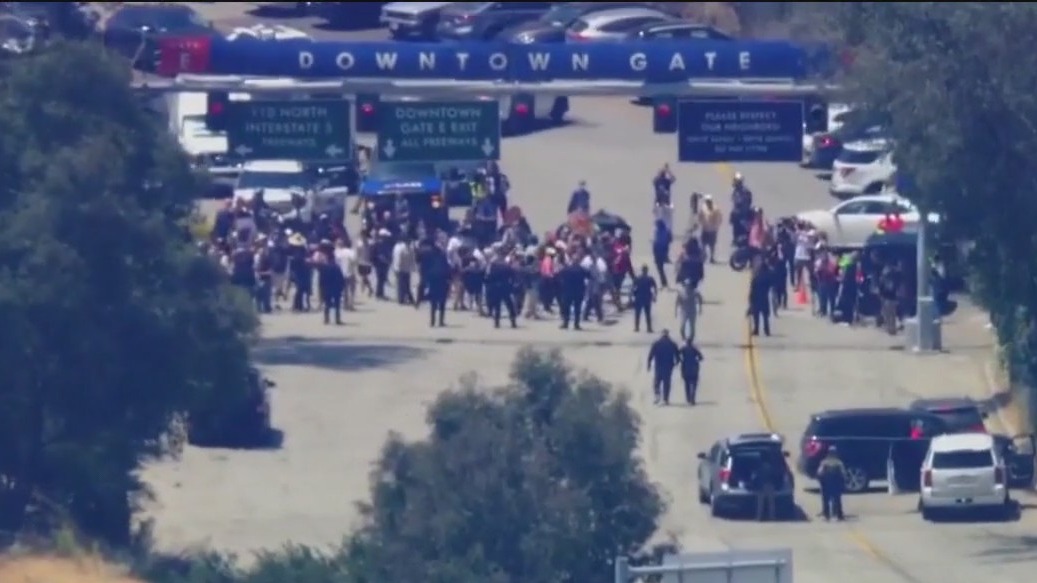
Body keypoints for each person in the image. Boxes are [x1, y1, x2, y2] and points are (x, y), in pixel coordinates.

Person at [646, 330, 680, 405]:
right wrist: (676, 363)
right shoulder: (672, 344)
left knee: (657, 381)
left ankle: (657, 394)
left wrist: (649, 364)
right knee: (667, 383)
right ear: (668, 335)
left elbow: (650, 355)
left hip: (658, 365)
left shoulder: (656, 343)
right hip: (668, 366)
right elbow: (677, 355)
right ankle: (665, 399)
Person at [485, 253, 518, 329]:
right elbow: (513, 276)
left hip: (495, 287)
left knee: (497, 306)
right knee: (509, 305)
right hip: (505, 287)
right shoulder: (507, 267)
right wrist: (511, 285)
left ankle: (497, 322)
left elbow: (488, 278)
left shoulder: (492, 267)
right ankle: (513, 321)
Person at [557, 255, 589, 330]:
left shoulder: (566, 269)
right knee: (577, 308)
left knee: (566, 308)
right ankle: (576, 324)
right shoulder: (582, 269)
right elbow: (589, 276)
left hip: (567, 291)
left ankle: (565, 323)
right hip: (579, 291)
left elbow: (559, 276)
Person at [816, 446, 846, 521]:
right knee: (837, 499)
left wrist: (821, 479)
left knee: (826, 499)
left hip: (827, 483)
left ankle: (827, 515)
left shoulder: (824, 462)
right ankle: (839, 515)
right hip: (836, 483)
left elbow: (820, 472)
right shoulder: (839, 462)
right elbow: (843, 473)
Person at [748, 259, 772, 336]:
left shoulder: (756, 278)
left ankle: (756, 329)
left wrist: (750, 300)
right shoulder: (768, 277)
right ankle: (767, 330)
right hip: (764, 298)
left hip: (756, 298)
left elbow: (752, 289)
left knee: (756, 316)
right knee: (765, 316)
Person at [631, 265, 657, 333]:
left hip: (638, 297)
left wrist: (632, 297)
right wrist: (654, 296)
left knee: (637, 313)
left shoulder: (637, 278)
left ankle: (636, 327)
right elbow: (654, 288)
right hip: (647, 298)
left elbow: (633, 288)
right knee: (647, 313)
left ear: (642, 270)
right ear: (647, 270)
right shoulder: (650, 279)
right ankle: (649, 328)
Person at [697, 195, 723, 263]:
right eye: (706, 201)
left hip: (712, 230)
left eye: (709, 201)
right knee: (703, 244)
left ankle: (712, 257)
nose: (708, 202)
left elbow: (719, 218)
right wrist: (701, 223)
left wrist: (716, 227)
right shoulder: (703, 208)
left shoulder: (716, 209)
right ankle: (703, 255)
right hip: (705, 229)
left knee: (712, 245)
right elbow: (700, 216)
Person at [678, 339, 704, 405]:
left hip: (685, 368)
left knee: (687, 385)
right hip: (694, 368)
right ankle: (693, 398)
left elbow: (677, 354)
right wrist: (696, 360)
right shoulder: (694, 349)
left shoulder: (683, 349)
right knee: (694, 385)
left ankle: (688, 399)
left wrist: (681, 360)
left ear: (686, 343)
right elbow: (701, 357)